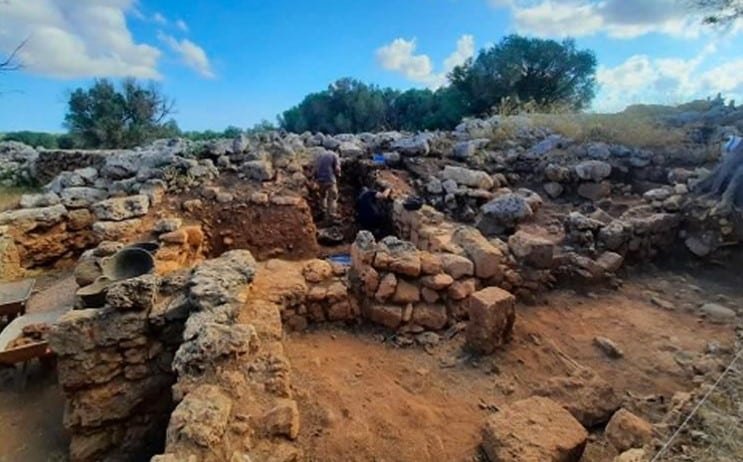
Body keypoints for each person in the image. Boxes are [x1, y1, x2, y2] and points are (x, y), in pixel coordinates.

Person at [314, 150, 341, 220]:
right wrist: (338, 176)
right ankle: (331, 215)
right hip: (329, 179)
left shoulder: (320, 155)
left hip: (320, 180)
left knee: (322, 196)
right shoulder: (335, 155)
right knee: (333, 197)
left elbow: (315, 169)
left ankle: (323, 211)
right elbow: (337, 169)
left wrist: (316, 179)